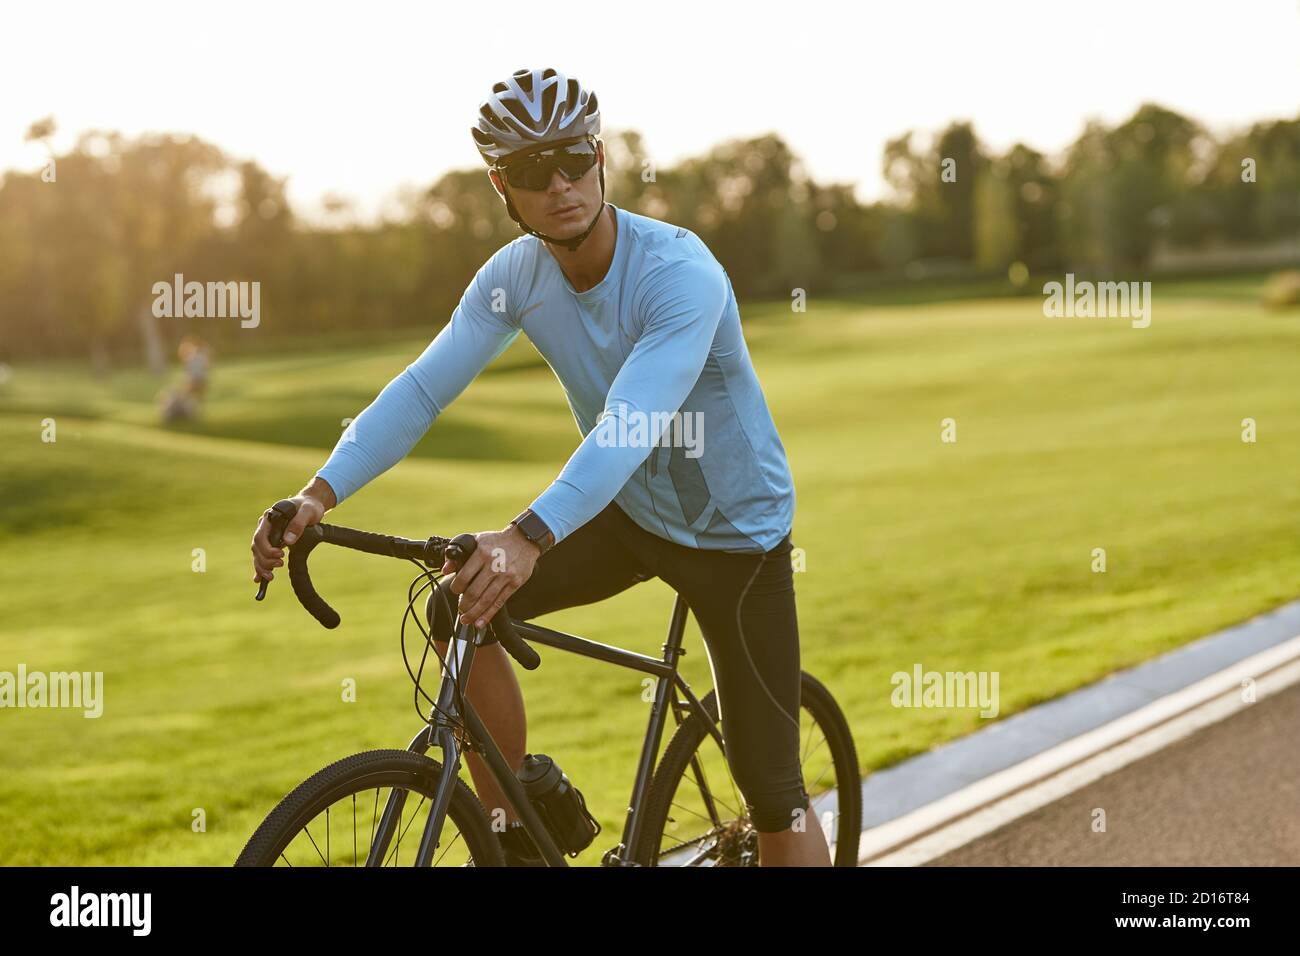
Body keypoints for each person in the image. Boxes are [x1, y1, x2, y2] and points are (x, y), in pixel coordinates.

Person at [250, 68, 830, 866]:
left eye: (572, 159)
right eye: (531, 171)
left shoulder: (679, 273)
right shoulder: (517, 277)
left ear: (601, 157)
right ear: (502, 186)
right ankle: (517, 829)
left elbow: (630, 425)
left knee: (773, 795)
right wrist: (318, 492)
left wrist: (527, 533)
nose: (559, 185)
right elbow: (422, 391)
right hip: (628, 515)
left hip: (736, 537)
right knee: (463, 606)